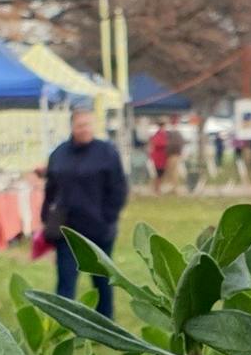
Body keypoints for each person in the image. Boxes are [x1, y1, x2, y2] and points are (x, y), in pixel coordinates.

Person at [44, 108, 129, 317]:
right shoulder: (59, 154)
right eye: (80, 125)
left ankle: (106, 324)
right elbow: (51, 189)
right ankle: (62, 324)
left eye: (89, 125)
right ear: (72, 127)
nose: (85, 129)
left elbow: (118, 188)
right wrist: (47, 218)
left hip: (99, 229)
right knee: (65, 281)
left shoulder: (107, 152)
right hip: (67, 231)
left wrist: (108, 217)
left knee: (102, 280)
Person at [164, 122, 187, 193]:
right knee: (174, 172)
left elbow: (172, 146)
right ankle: (174, 187)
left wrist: (167, 151)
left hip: (173, 155)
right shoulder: (178, 135)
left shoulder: (173, 137)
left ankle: (174, 188)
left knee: (173, 172)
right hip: (176, 155)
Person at [148, 120, 170, 193]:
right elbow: (158, 144)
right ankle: (156, 188)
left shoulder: (162, 134)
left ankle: (157, 188)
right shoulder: (159, 135)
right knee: (159, 173)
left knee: (161, 173)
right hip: (158, 157)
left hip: (162, 157)